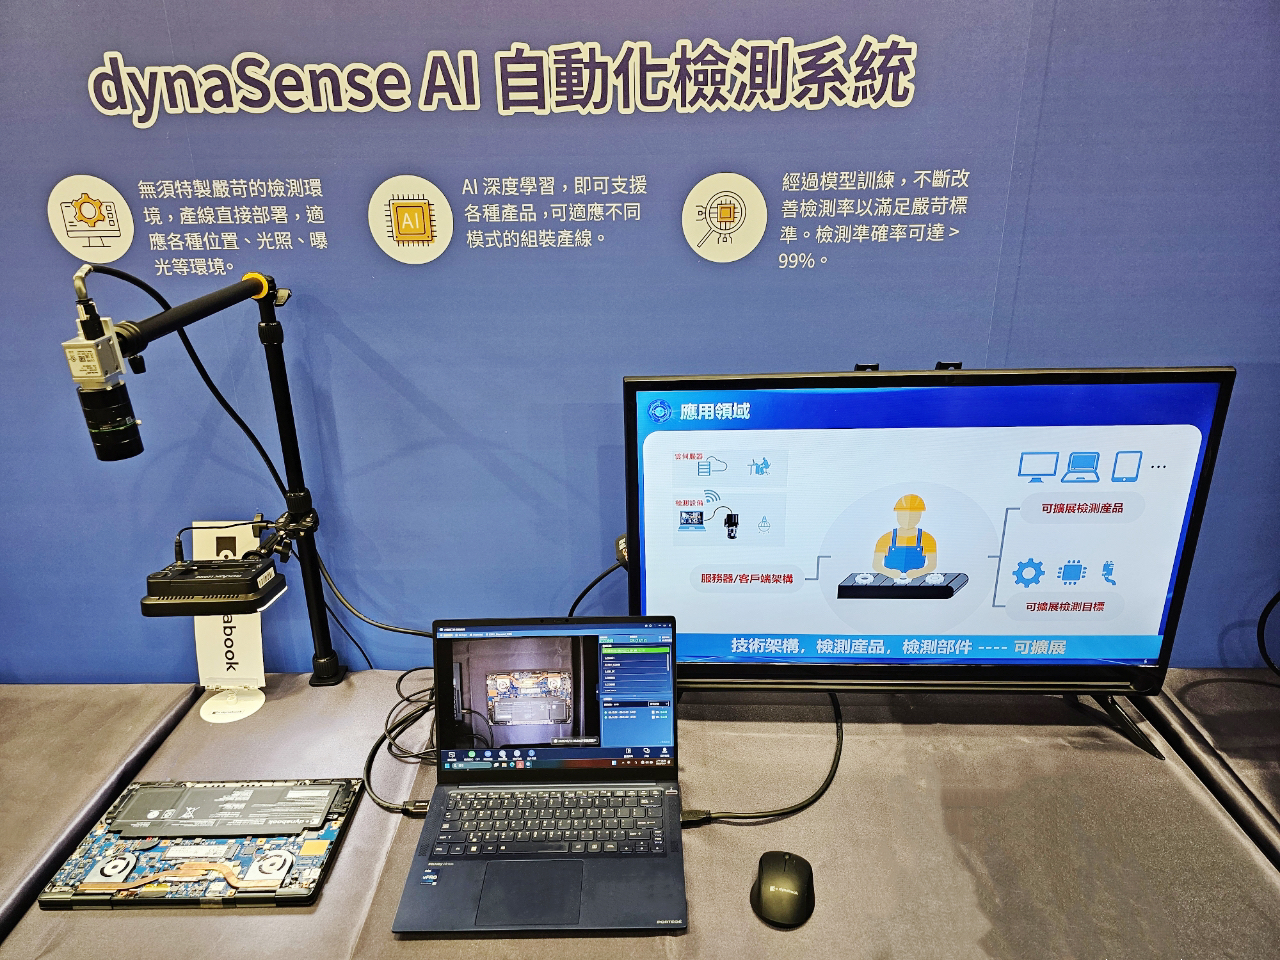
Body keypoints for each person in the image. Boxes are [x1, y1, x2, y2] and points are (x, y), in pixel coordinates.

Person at [872, 494, 937, 580]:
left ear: (920, 515)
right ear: (897, 514)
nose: (908, 518)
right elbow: (876, 565)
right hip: (888, 581)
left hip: (918, 581)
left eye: (914, 515)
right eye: (903, 514)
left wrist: (918, 573)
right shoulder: (886, 538)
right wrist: (890, 573)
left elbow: (932, 565)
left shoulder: (927, 538)